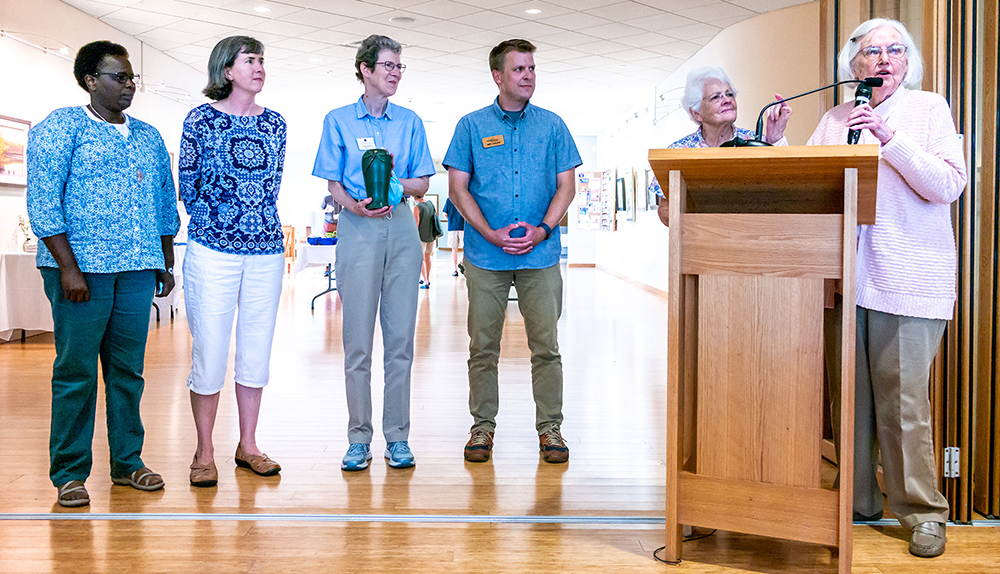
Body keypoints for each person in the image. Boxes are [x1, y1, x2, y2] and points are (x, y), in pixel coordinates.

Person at [809, 18, 966, 559]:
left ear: (908, 61)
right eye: (870, 52)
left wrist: (889, 139)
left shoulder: (929, 109)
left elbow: (948, 184)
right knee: (848, 401)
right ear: (852, 64)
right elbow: (810, 185)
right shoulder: (834, 118)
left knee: (903, 403)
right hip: (845, 280)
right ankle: (857, 500)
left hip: (908, 278)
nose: (882, 60)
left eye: (893, 50)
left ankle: (922, 513)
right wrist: (779, 140)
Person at [27, 40, 178, 507]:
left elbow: (163, 197)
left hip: (137, 267)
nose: (129, 85)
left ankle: (128, 462)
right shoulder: (61, 127)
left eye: (133, 78)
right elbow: (44, 200)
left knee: (127, 371)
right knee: (76, 372)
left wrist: (164, 257)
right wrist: (68, 269)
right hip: (81, 271)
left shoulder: (148, 136)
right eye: (119, 77)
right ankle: (69, 473)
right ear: (91, 80)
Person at [443, 39, 582, 464]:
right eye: (519, 69)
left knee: (547, 347)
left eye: (532, 68)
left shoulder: (553, 126)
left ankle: (550, 428)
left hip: (541, 256)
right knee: (483, 348)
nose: (528, 76)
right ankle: (482, 427)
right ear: (497, 76)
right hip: (486, 257)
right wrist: (489, 233)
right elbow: (457, 189)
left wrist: (543, 230)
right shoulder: (471, 126)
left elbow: (567, 186)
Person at [313, 34, 435, 471]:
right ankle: (358, 438)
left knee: (400, 341)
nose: (396, 73)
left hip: (401, 226)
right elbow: (333, 183)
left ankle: (397, 437)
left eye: (400, 66)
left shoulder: (410, 122)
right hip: (357, 226)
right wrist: (355, 206)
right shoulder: (338, 120)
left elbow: (423, 182)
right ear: (365, 69)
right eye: (388, 65)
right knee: (357, 342)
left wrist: (396, 183)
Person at [179, 36, 287, 487]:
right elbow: (188, 185)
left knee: (256, 350)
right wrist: (222, 221)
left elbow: (272, 185)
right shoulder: (200, 120)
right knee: (209, 351)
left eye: (262, 60)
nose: (259, 67)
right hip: (212, 250)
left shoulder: (275, 123)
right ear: (227, 70)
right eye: (250, 60)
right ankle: (204, 451)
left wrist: (251, 222)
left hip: (266, 250)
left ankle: (249, 445)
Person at [653, 66, 791, 225]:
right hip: (701, 236)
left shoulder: (756, 142)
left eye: (729, 94)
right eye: (715, 97)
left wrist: (775, 136)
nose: (727, 100)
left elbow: (784, 191)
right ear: (696, 113)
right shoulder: (678, 151)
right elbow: (665, 211)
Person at [414, 195, 438, 288]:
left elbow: (416, 224)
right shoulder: (430, 204)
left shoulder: (417, 207)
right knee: (427, 257)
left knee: (421, 259)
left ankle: (425, 281)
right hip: (431, 236)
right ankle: (427, 278)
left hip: (421, 237)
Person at [442, 197, 466, 276]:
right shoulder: (464, 198)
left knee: (454, 249)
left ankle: (455, 270)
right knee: (465, 248)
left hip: (452, 227)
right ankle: (462, 263)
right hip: (462, 226)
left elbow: (445, 214)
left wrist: (451, 219)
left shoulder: (449, 199)